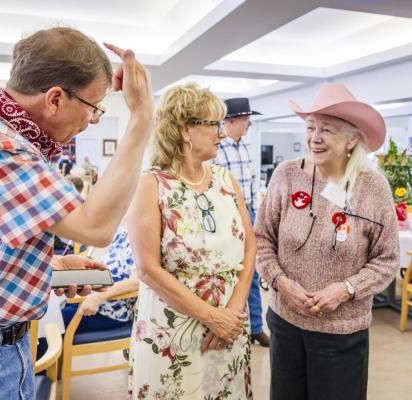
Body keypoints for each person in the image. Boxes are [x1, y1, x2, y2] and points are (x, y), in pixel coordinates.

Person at [0, 27, 153, 399]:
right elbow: (96, 226)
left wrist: (49, 267)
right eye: (94, 106)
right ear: (55, 98)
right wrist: (142, 118)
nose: (94, 120)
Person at [255, 83, 400, 400]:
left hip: (342, 332)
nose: (315, 138)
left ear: (352, 139)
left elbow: (387, 259)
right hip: (285, 323)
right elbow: (262, 239)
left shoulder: (372, 187)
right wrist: (280, 282)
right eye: (311, 128)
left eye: (327, 130)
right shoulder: (287, 174)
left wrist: (346, 289)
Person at [126, 83, 256, 399]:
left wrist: (234, 311)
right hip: (173, 333)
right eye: (214, 124)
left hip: (231, 327)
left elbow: (250, 246)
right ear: (186, 129)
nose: (221, 133)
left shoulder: (226, 179)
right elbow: (147, 269)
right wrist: (212, 317)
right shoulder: (150, 185)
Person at [214, 97, 270, 347]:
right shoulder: (216, 148)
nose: (248, 125)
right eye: (245, 120)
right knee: (228, 271)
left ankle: (255, 327)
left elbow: (253, 183)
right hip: (226, 215)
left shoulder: (246, 147)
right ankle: (227, 323)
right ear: (230, 121)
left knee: (252, 270)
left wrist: (255, 215)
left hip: (249, 211)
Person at [61, 227, 138, 332]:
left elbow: (135, 283)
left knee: (53, 325)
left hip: (109, 312)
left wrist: (98, 297)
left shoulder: (142, 241)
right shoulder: (123, 233)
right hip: (86, 300)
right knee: (50, 314)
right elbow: (108, 268)